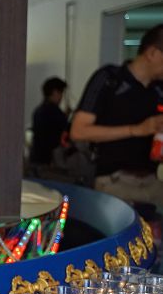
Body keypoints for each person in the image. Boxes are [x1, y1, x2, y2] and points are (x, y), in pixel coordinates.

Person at [70, 24, 163, 209]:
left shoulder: (159, 88)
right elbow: (78, 131)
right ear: (152, 53)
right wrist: (136, 130)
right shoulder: (109, 78)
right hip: (114, 181)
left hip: (154, 181)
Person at [30, 77, 69, 166]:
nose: (61, 97)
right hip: (50, 161)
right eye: (61, 93)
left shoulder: (38, 110)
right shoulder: (55, 112)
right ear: (55, 92)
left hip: (37, 158)